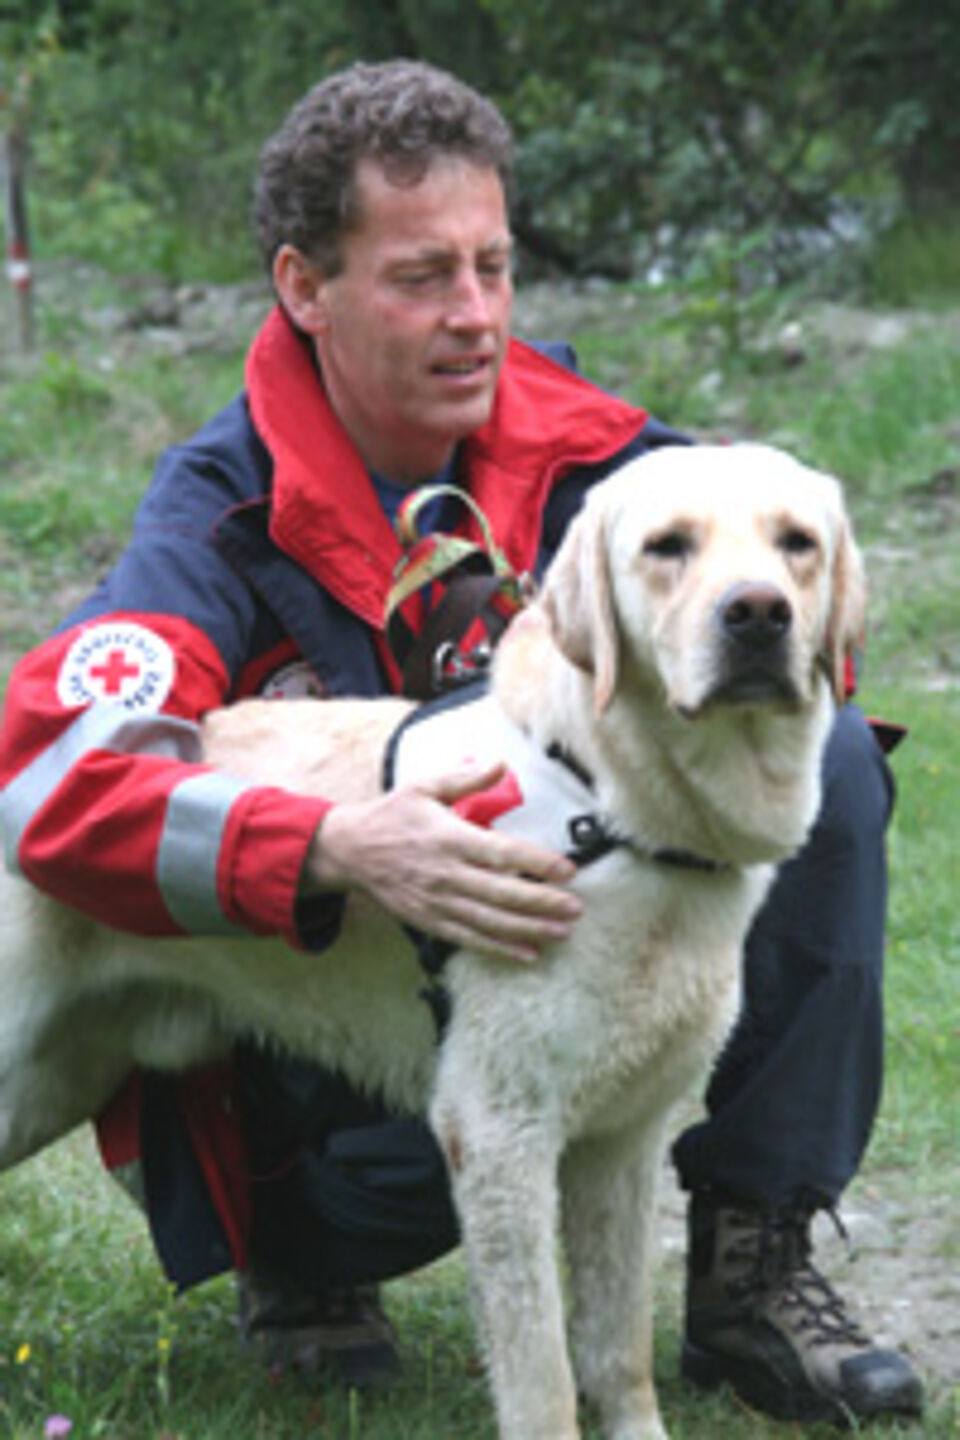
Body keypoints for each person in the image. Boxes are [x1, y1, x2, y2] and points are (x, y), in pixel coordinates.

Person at [0, 59, 923, 1426]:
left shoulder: (611, 461)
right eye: (423, 276)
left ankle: (756, 1259)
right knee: (465, 1100)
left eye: (493, 267)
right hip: (306, 1049)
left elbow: (791, 615)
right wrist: (327, 842)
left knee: (830, 761)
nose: (477, 315)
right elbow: (48, 784)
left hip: (534, 983)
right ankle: (301, 1266)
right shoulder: (216, 512)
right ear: (305, 288)